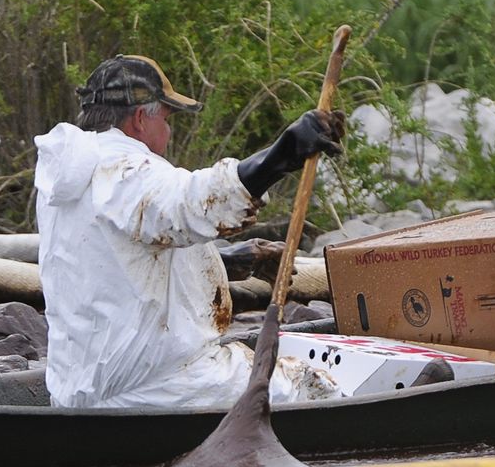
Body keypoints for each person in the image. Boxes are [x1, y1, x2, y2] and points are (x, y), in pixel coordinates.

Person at [34, 54, 344, 408]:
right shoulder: (126, 171)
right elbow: (193, 202)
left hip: (77, 392)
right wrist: (282, 154)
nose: (168, 132)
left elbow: (120, 264)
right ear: (139, 119)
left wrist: (235, 260)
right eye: (166, 120)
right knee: (313, 384)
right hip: (156, 389)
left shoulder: (68, 180)